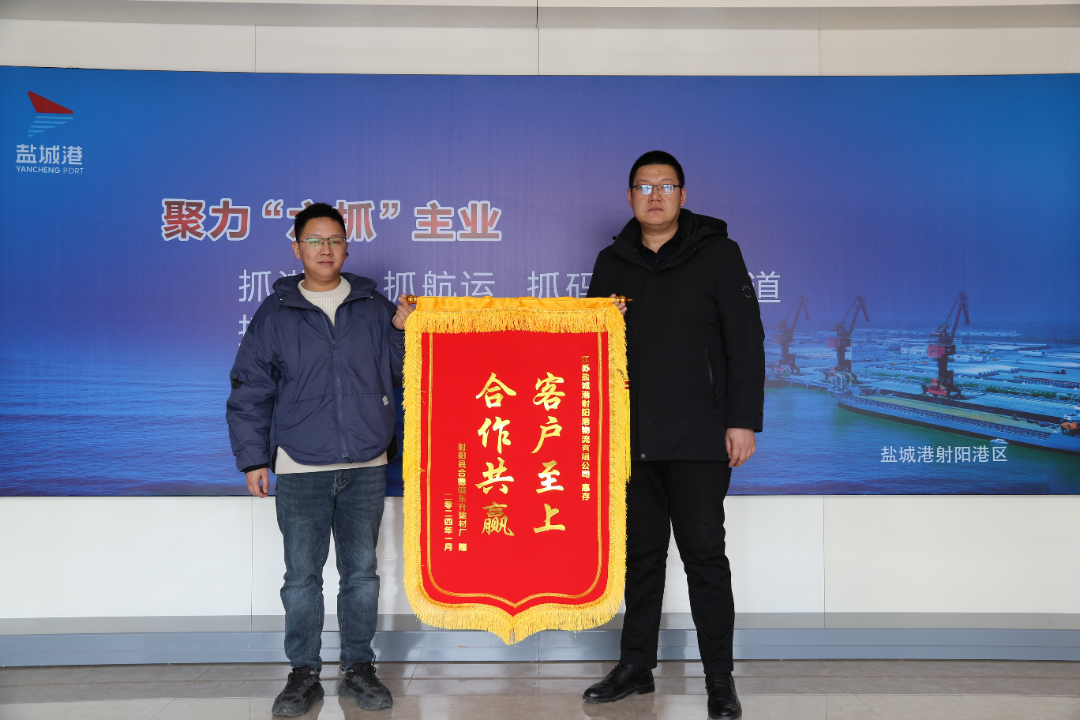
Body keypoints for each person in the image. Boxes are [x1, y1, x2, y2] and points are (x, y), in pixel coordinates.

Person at [584, 151, 765, 720]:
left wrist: (742, 420)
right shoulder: (611, 262)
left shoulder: (719, 254)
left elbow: (746, 342)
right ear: (630, 197)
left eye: (666, 186)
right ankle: (636, 666)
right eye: (644, 186)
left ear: (683, 196)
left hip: (700, 436)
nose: (655, 195)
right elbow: (587, 348)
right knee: (640, 558)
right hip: (631, 438)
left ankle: (719, 679)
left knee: (704, 557)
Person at [226, 203, 414, 717]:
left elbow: (405, 372)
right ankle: (303, 674)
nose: (325, 249)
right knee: (301, 578)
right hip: (300, 465)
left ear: (347, 248)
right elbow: (250, 390)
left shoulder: (372, 306)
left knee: (362, 575)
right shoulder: (276, 313)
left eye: (334, 240)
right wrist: (253, 459)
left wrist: (403, 330)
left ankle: (358, 669)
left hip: (365, 463)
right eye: (314, 240)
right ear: (297, 248)